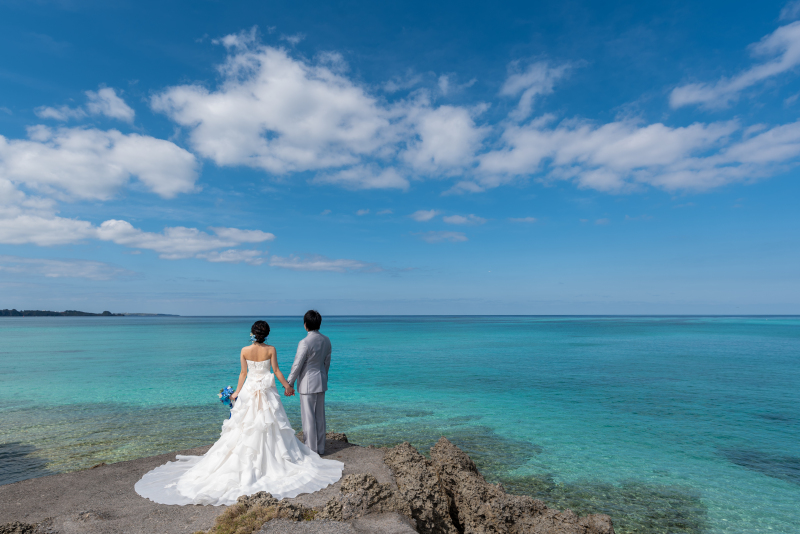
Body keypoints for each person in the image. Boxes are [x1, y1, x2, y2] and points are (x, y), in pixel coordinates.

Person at [134, 320, 343, 506]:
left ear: (252, 334)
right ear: (266, 334)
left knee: (244, 427)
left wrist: (236, 393)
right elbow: (276, 370)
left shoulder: (244, 350)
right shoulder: (271, 349)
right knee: (271, 424)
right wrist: (287, 386)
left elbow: (243, 373)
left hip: (250, 391)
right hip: (266, 391)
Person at [286, 310, 330, 455]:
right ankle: (321, 447)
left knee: (308, 418)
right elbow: (326, 363)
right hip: (321, 380)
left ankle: (311, 450)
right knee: (320, 417)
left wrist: (289, 383)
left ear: (305, 325)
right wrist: (324, 377)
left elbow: (297, 364)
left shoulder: (304, 342)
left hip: (307, 383)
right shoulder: (326, 340)